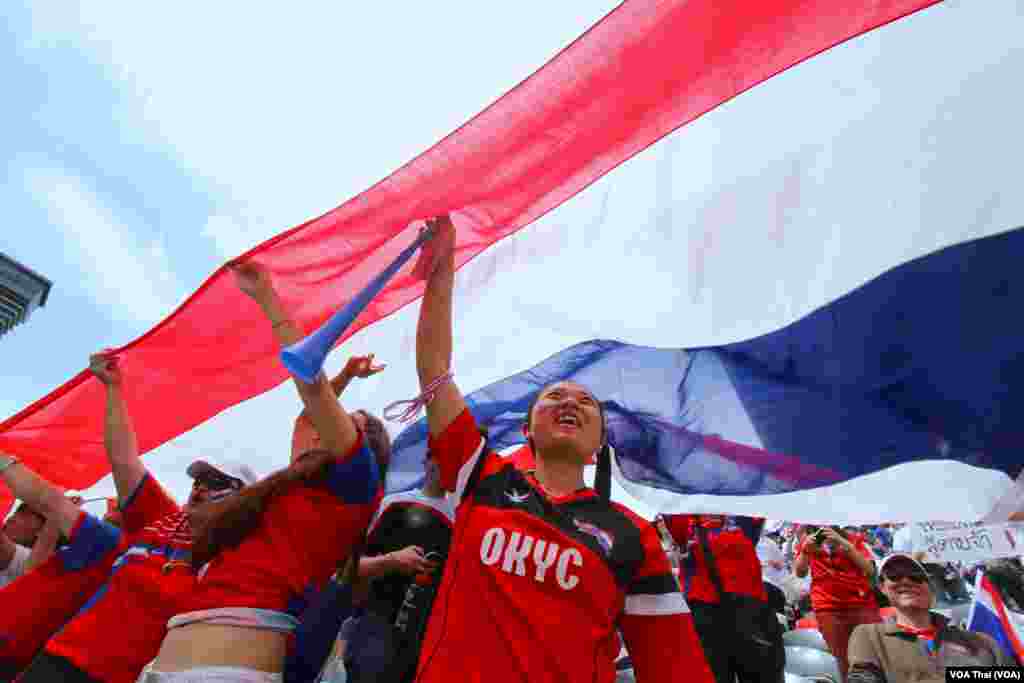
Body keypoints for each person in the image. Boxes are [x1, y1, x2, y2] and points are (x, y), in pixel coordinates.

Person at [408, 214, 713, 683]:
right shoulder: (481, 477)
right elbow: (434, 370)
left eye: (586, 401)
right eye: (554, 396)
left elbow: (675, 668)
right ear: (528, 431)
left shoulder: (634, 537)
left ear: (597, 446)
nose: (570, 400)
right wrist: (444, 267)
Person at [140, 262, 388, 682]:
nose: (334, 421)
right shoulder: (295, 480)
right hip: (164, 665)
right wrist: (345, 375)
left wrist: (269, 302)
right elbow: (307, 418)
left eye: (350, 423)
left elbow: (312, 389)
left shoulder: (355, 485)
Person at [1, 353, 255, 683]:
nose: (201, 488)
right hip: (59, 659)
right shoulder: (162, 518)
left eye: (216, 483)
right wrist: (112, 389)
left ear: (243, 499)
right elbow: (121, 459)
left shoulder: (235, 560)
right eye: (198, 480)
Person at [340, 451, 454, 682]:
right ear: (425, 460)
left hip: (426, 647)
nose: (443, 465)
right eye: (438, 455)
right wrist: (392, 560)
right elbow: (347, 569)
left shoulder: (463, 520)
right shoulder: (394, 504)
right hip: (375, 632)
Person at [848, 554, 1015, 682]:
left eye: (916, 576)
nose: (906, 580)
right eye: (894, 576)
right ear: (882, 588)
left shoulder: (981, 640)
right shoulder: (869, 635)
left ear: (930, 588)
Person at [663, 514, 784, 683]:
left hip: (750, 614)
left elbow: (763, 494)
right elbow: (670, 501)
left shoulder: (743, 515)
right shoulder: (685, 517)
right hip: (705, 616)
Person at [794, 525, 879, 682]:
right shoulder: (808, 542)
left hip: (861, 605)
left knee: (874, 654)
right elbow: (800, 573)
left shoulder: (853, 540)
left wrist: (843, 543)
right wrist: (806, 551)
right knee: (841, 659)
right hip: (828, 608)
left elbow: (869, 570)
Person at [0, 502, 44, 587]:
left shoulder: (35, 562)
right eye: (16, 512)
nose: (11, 518)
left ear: (42, 531)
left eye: (24, 515)